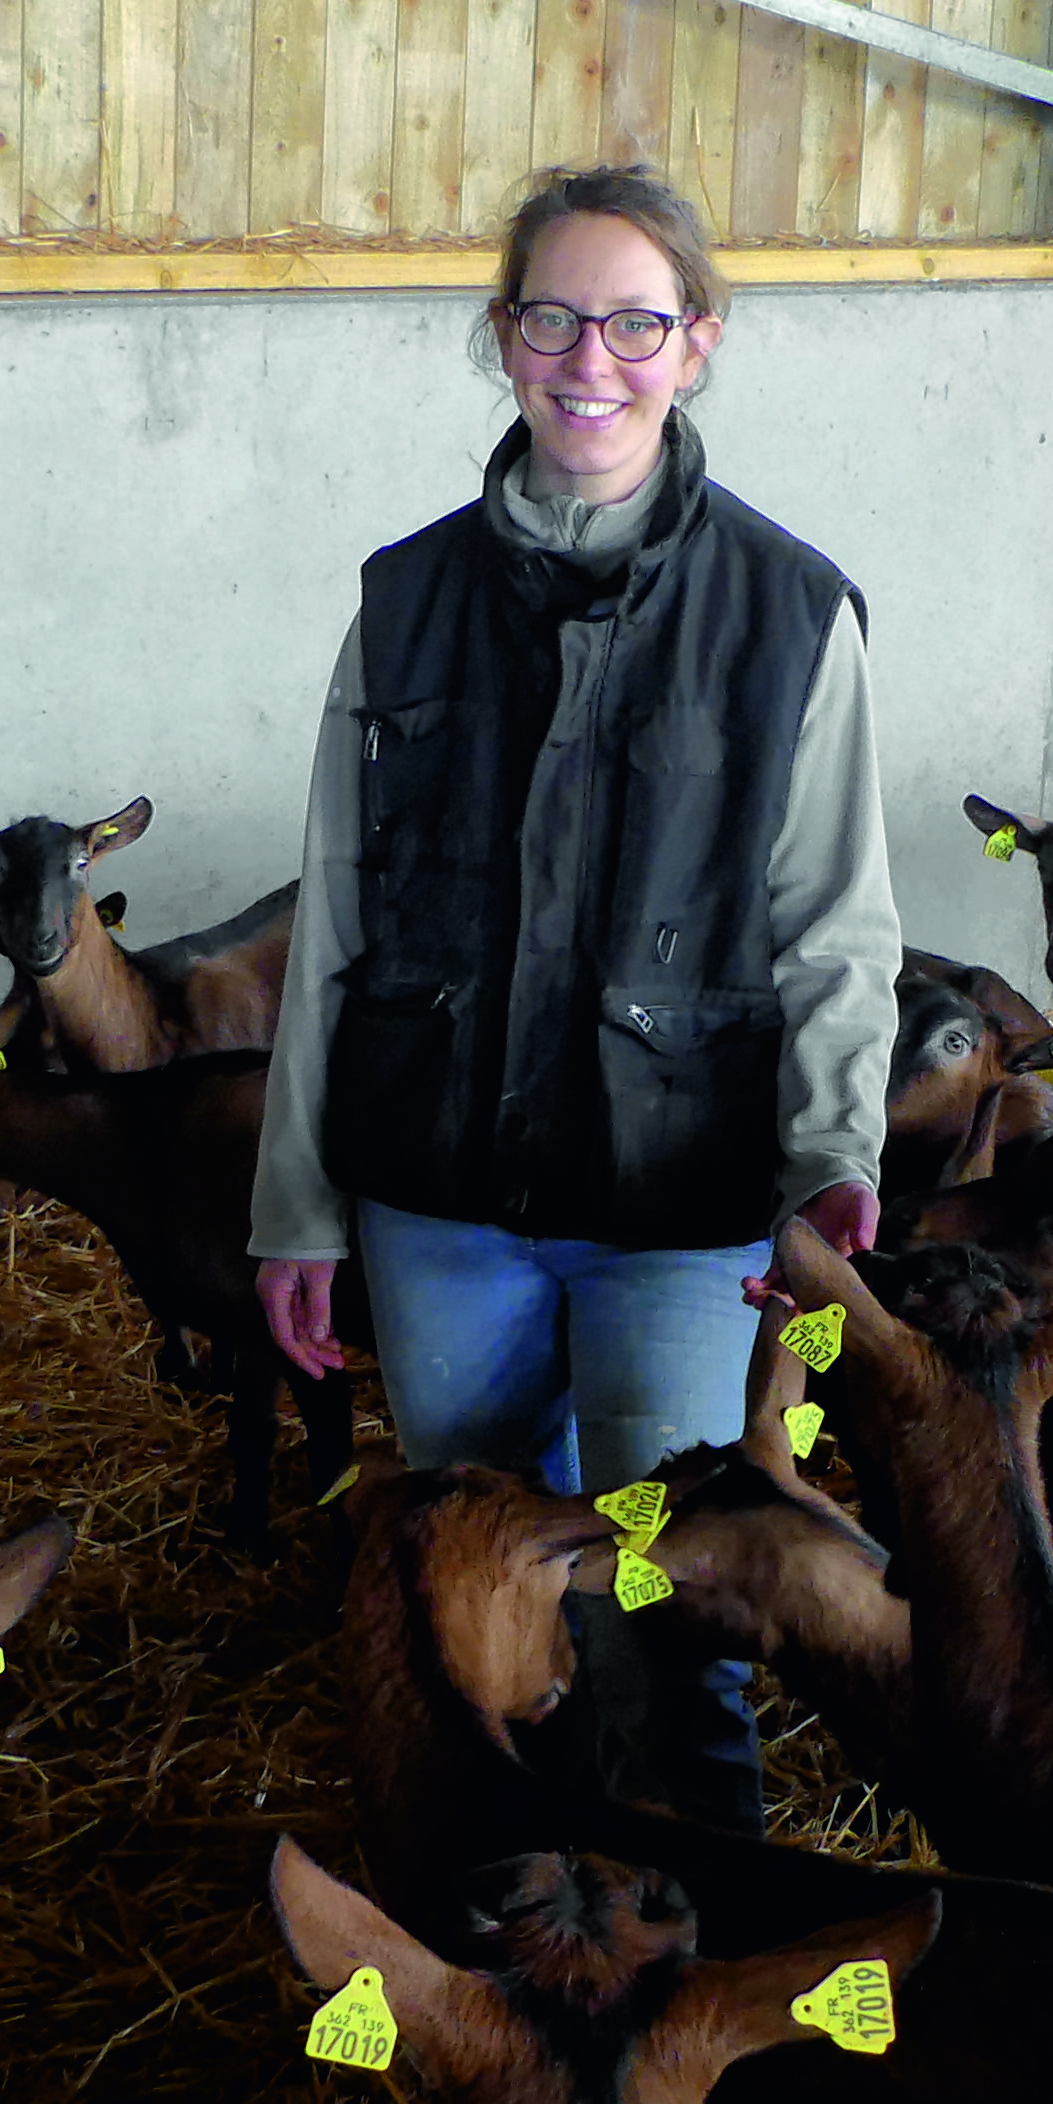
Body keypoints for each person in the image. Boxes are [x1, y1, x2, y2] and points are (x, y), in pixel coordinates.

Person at [249, 164, 901, 1832]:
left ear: (698, 346)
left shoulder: (788, 615)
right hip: (440, 1196)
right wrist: (298, 1210)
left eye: (635, 321)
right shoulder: (404, 600)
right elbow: (337, 916)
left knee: (670, 1579)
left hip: (682, 1205)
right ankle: (525, 1918)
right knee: (483, 1566)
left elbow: (836, 918)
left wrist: (837, 1161)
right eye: (553, 318)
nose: (589, 359)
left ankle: (702, 1907)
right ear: (502, 335)